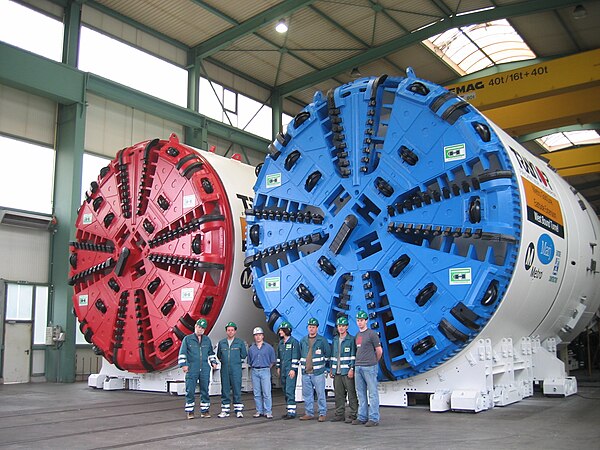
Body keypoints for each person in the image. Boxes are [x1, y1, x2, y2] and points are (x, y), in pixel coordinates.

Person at [178, 318, 218, 419]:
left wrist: (213, 362)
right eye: (199, 327)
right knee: (190, 390)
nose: (200, 329)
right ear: (195, 326)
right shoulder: (187, 339)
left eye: (203, 328)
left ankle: (205, 411)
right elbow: (182, 353)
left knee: (205, 389)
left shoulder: (207, 340)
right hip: (192, 368)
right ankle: (190, 411)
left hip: (204, 368)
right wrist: (184, 365)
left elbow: (211, 353)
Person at [353, 310, 382, 427]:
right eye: (358, 321)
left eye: (361, 320)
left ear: (366, 321)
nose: (360, 323)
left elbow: (379, 351)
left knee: (373, 393)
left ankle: (374, 418)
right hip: (358, 367)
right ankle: (362, 416)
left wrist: (374, 361)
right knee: (360, 393)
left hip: (369, 367)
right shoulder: (357, 335)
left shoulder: (372, 334)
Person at [299, 317, 330, 422]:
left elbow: (328, 354)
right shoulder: (303, 340)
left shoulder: (322, 340)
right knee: (307, 394)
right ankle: (309, 413)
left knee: (320, 393)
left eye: (313, 327)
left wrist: (323, 367)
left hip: (318, 373)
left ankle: (322, 413)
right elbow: (300, 353)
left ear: (317, 328)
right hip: (305, 372)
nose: (311, 329)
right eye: (310, 327)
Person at [329, 315, 358, 423]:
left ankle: (353, 414)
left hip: (347, 372)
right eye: (339, 326)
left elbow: (353, 356)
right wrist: (331, 369)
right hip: (337, 372)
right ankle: (339, 414)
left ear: (347, 327)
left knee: (351, 394)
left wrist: (352, 369)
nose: (340, 328)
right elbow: (333, 356)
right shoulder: (335, 340)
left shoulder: (351, 340)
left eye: (343, 326)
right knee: (339, 394)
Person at [216, 321, 248, 418]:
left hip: (236, 370)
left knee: (236, 389)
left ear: (235, 332)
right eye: (228, 330)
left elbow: (243, 354)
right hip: (225, 369)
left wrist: (235, 362)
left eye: (232, 330)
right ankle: (225, 410)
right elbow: (219, 355)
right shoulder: (222, 343)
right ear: (226, 331)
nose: (230, 332)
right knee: (225, 390)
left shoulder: (240, 343)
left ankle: (238, 410)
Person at [247, 326, 276, 419]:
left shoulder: (269, 348)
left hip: (265, 370)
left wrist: (266, 368)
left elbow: (272, 361)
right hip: (255, 371)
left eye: (259, 335)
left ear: (262, 336)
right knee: (257, 393)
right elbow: (250, 361)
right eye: (256, 335)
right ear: (254, 336)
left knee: (266, 392)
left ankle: (268, 411)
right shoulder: (251, 348)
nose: (258, 337)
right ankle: (259, 411)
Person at [276, 320, 300, 419]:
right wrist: (278, 367)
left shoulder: (294, 342)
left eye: (281, 330)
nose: (280, 332)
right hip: (283, 370)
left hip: (290, 370)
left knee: (290, 390)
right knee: (285, 389)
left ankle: (292, 412)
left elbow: (296, 356)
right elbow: (279, 356)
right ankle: (288, 409)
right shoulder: (281, 343)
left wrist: (293, 369)